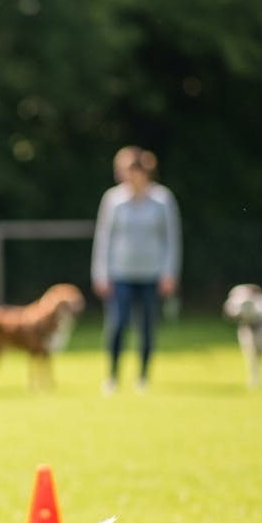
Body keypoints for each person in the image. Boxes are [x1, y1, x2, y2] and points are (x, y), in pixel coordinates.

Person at [90, 146, 181, 394]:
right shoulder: (113, 200)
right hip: (120, 274)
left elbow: (171, 239)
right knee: (117, 325)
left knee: (147, 327)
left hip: (152, 274)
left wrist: (169, 273)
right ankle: (112, 376)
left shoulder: (162, 199)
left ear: (144, 172)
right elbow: (104, 238)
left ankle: (142, 377)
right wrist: (100, 273)